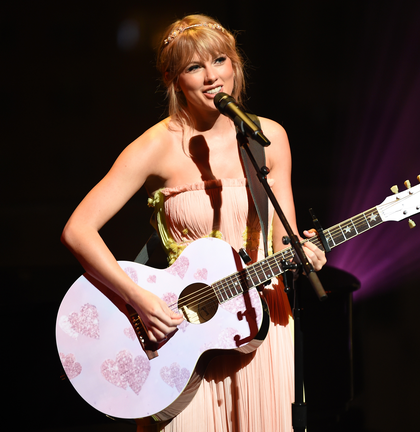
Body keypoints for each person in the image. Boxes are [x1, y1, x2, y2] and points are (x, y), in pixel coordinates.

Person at [60, 14, 326, 432]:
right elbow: (78, 230)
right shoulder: (156, 145)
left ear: (236, 65)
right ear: (173, 79)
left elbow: (282, 241)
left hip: (261, 325)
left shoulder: (266, 137)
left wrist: (305, 252)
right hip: (182, 334)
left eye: (220, 60)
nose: (211, 77)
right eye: (194, 67)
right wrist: (139, 300)